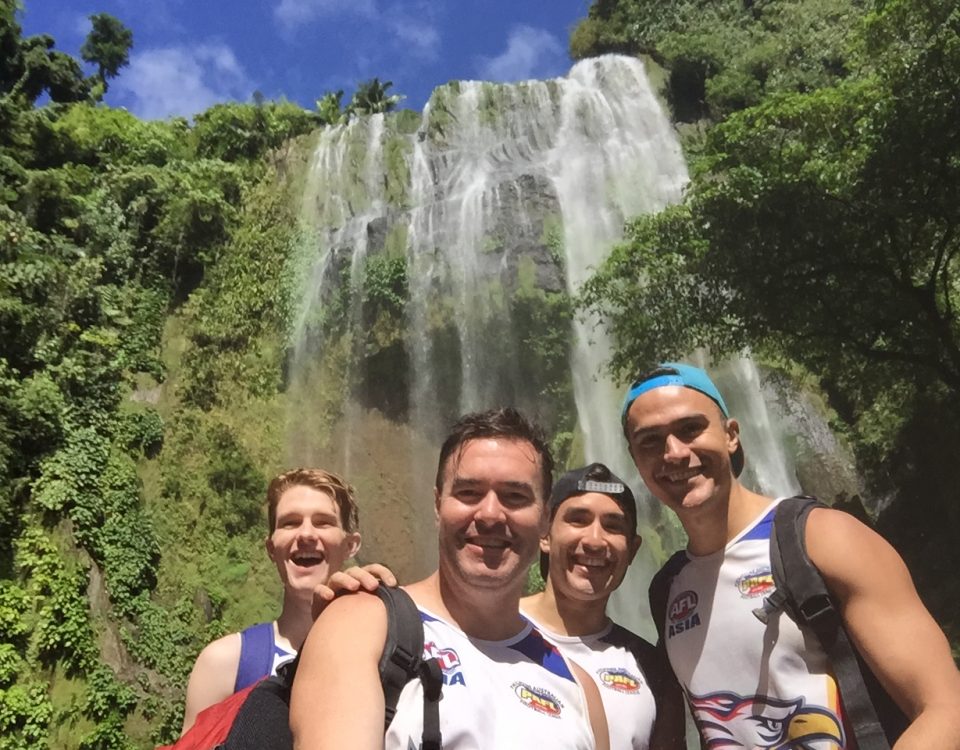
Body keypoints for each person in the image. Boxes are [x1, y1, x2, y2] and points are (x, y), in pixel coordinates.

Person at [621, 362, 960, 747]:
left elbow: (944, 707)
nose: (674, 453)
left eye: (690, 429)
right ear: (636, 461)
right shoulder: (667, 589)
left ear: (731, 435)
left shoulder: (823, 537)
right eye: (650, 441)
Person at [289, 408, 610, 749]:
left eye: (515, 496)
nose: (489, 514)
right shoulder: (362, 624)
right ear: (437, 505)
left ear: (546, 520)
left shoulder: (579, 687)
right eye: (469, 493)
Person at [181, 468, 364, 734]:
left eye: (323, 522)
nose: (306, 534)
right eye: (290, 522)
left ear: (350, 546)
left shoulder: (383, 658)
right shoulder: (226, 664)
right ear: (271, 549)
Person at [520, 462, 685, 750]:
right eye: (578, 520)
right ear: (544, 535)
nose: (595, 540)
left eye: (613, 526)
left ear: (632, 550)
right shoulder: (482, 634)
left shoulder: (653, 668)